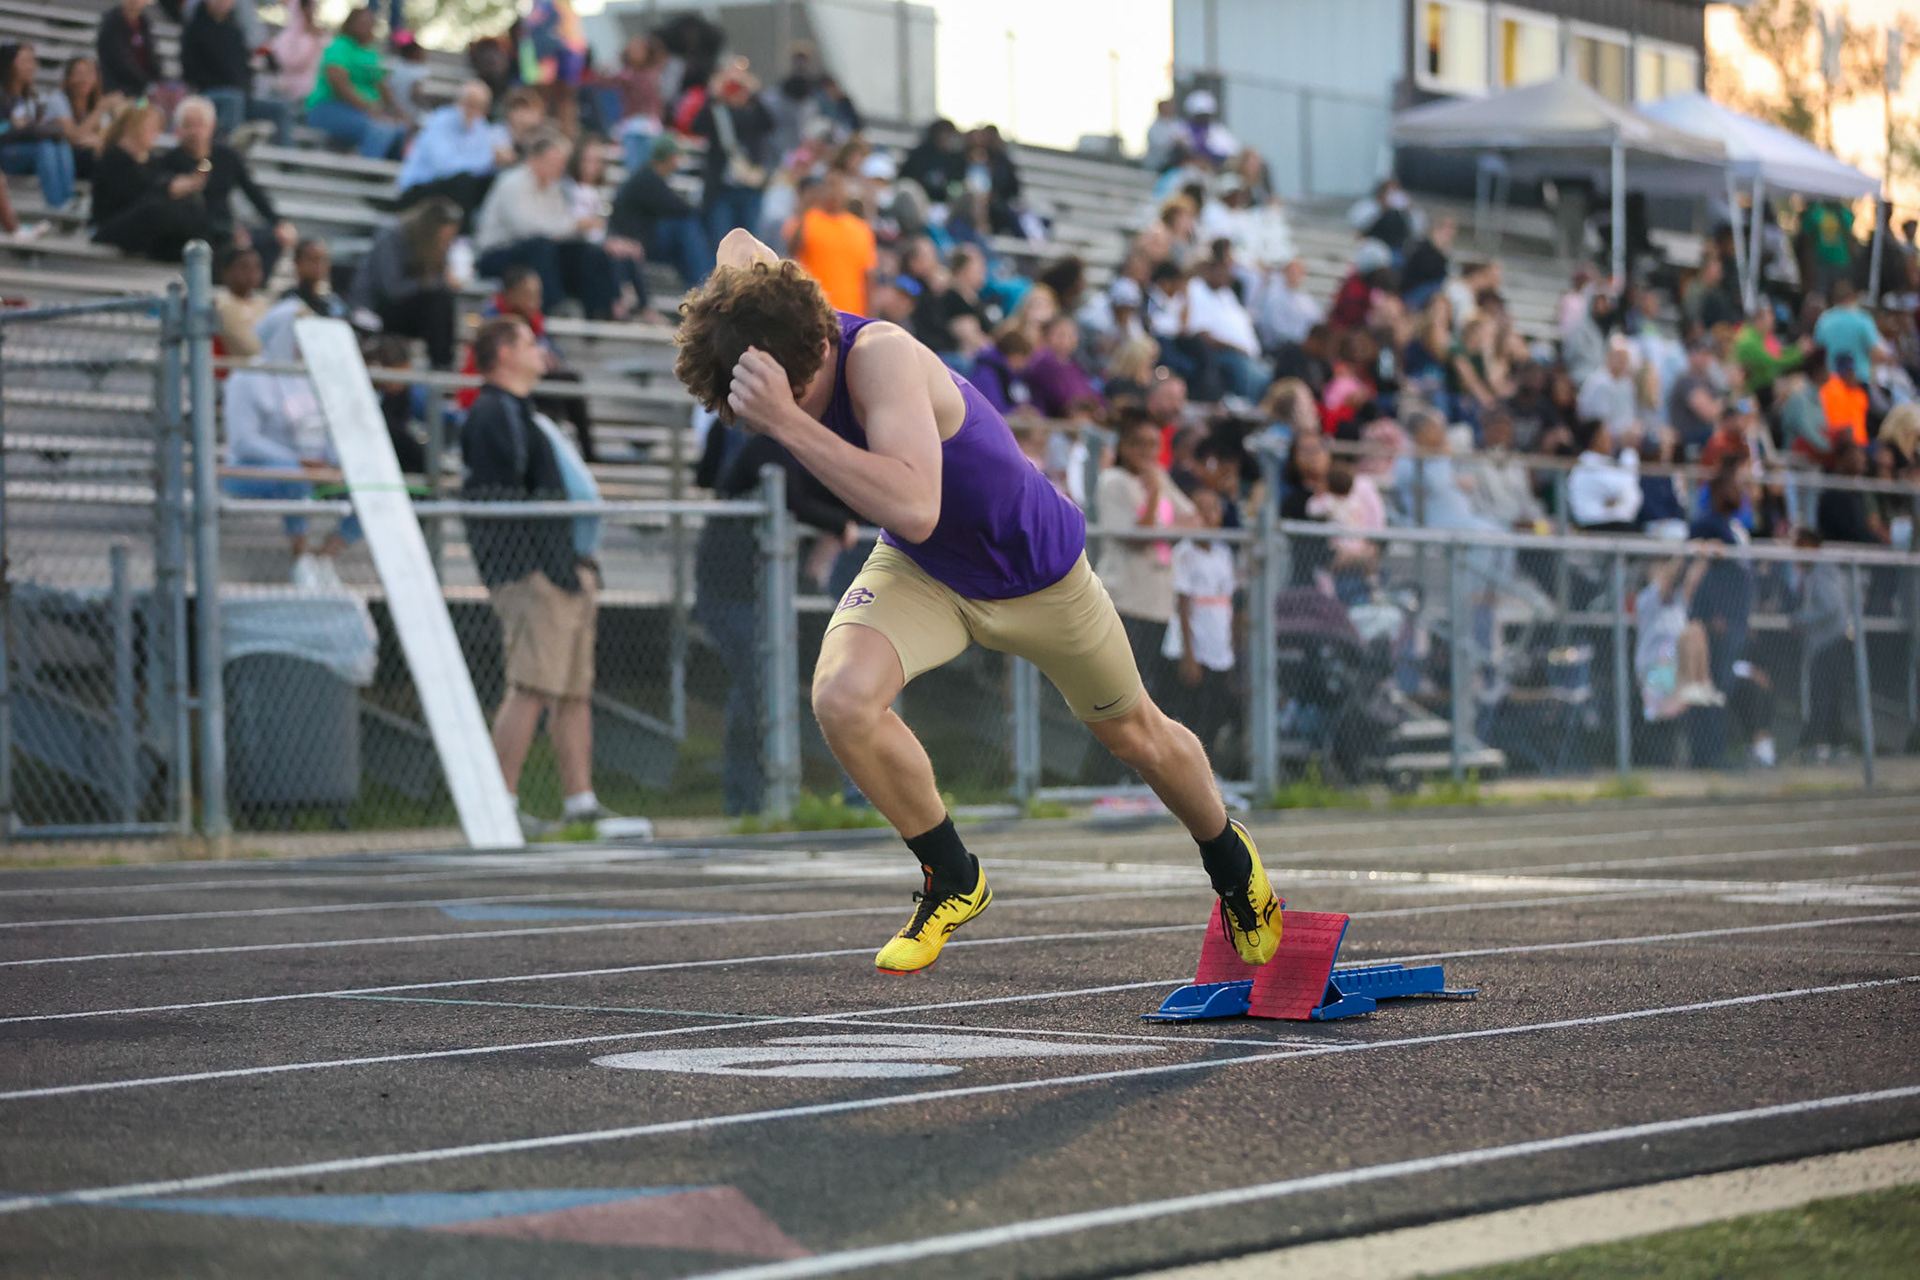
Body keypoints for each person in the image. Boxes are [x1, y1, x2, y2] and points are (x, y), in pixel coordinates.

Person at [674, 232, 1280, 974]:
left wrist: (788, 421)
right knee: (841, 698)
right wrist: (736, 317)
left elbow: (915, 503)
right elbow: (735, 243)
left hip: (1035, 575)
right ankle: (952, 874)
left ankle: (1230, 861)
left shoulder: (881, 356)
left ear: (812, 358)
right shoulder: (787, 327)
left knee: (1137, 736)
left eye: (789, 397)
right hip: (925, 573)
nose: (774, 412)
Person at [462, 314, 642, 836]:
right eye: (526, 342)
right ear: (501, 355)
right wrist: (539, 566)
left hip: (565, 570)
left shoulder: (524, 413)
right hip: (533, 574)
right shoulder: (491, 413)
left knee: (573, 691)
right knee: (531, 686)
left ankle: (579, 799)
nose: (539, 349)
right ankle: (500, 803)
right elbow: (501, 499)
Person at [694, 418, 856, 815]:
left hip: (770, 591)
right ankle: (747, 801)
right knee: (757, 686)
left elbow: (841, 497)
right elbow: (791, 499)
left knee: (794, 682)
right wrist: (837, 524)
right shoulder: (768, 444)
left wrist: (838, 524)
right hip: (729, 591)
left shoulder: (812, 452)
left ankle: (773, 796)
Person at [222, 299, 361, 586]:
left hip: (310, 468)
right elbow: (244, 441)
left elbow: (327, 432)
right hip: (251, 470)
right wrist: (298, 461)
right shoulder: (247, 378)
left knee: (368, 486)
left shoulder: (310, 378)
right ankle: (301, 558)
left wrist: (334, 463)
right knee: (293, 476)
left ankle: (323, 557)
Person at [1096, 406, 1197, 701]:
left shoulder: (1159, 477)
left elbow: (1196, 520)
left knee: (1142, 690)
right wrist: (1154, 497)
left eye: (1153, 444)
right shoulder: (1114, 481)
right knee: (1118, 692)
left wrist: (1161, 525)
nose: (1146, 451)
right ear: (1123, 447)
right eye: (1138, 444)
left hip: (1157, 601)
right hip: (1127, 599)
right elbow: (1137, 537)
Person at [457, 262, 597, 461]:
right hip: (501, 387)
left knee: (567, 382)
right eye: (530, 293)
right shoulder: (496, 326)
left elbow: (553, 354)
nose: (537, 300)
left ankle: (583, 454)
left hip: (525, 388)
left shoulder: (534, 320)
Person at [473, 131, 617, 321]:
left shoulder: (554, 188)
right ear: (535, 159)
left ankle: (599, 311)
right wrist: (575, 224)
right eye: (554, 161)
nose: (559, 167)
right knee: (540, 246)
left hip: (538, 251)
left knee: (589, 252)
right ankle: (553, 307)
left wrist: (576, 226)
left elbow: (561, 225)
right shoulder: (512, 183)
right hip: (497, 254)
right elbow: (526, 228)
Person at [162, 96, 297, 277]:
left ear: (211, 127)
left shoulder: (227, 156)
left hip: (224, 226)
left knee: (270, 238)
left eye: (199, 125)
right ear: (179, 129)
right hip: (190, 231)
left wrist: (279, 222)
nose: (194, 132)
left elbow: (253, 191)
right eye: (188, 125)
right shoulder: (169, 161)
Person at [89, 104, 222, 262]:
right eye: (151, 128)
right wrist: (169, 188)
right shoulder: (114, 157)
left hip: (144, 232)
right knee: (157, 209)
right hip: (111, 225)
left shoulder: (151, 161)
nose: (156, 134)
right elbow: (135, 196)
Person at [1163, 485, 1238, 755]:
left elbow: (1226, 603)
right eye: (1201, 510)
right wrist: (1189, 655)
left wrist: (1229, 650)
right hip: (1195, 648)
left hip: (1219, 648)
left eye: (1214, 509)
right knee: (1188, 717)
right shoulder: (1184, 553)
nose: (1209, 516)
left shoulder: (1224, 554)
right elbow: (1183, 604)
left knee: (1213, 715)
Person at [350, 196, 461, 369]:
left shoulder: (434, 249)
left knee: (442, 301)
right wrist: (432, 283)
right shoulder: (392, 237)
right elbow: (392, 289)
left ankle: (443, 364)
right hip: (374, 310)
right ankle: (442, 364)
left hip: (405, 308)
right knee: (439, 299)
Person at [394, 81, 514, 220]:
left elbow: (483, 164)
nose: (473, 111)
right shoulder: (439, 122)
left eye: (480, 107)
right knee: (464, 181)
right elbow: (443, 166)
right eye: (470, 104)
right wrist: (489, 158)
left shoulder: (480, 127)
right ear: (458, 102)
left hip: (453, 191)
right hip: (420, 188)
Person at [609, 132, 714, 287]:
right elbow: (680, 208)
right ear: (668, 157)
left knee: (684, 239)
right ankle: (705, 284)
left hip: (643, 238)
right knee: (685, 227)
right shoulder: (647, 179)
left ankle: (698, 286)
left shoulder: (647, 175)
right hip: (634, 241)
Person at [182, 0, 292, 144]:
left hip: (241, 95)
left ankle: (287, 162)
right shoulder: (194, 29)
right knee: (233, 100)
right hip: (208, 95)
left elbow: (245, 66)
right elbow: (189, 70)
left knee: (280, 109)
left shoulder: (235, 31)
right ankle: (227, 151)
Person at [306, 7, 406, 160]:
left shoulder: (371, 52)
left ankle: (386, 179)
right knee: (379, 129)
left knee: (401, 130)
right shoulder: (340, 45)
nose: (368, 26)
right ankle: (366, 173)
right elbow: (338, 82)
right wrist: (368, 108)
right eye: (363, 22)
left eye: (371, 23)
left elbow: (382, 85)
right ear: (351, 23)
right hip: (329, 108)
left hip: (363, 112)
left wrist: (398, 111)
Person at [692, 63, 774, 247]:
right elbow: (697, 125)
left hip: (749, 186)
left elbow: (768, 123)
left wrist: (753, 92)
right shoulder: (717, 113)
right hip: (722, 189)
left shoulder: (752, 113)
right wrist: (713, 94)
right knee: (723, 243)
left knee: (752, 245)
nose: (737, 96)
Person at [1792, 528, 1852, 760]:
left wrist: (1800, 620)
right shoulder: (1826, 570)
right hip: (1834, 641)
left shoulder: (1821, 572)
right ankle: (1837, 744)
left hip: (1828, 642)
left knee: (1822, 695)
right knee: (1832, 695)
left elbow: (1831, 606)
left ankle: (1817, 745)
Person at [0, 44, 76, 212]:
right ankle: (57, 206)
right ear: (9, 63)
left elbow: (34, 127)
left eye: (33, 61)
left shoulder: (31, 98)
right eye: (25, 61)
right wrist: (15, 126)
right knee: (45, 148)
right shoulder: (3, 97)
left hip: (27, 149)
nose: (31, 66)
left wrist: (32, 128)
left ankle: (68, 200)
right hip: (6, 152)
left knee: (59, 144)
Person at [787, 170, 875, 315]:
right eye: (829, 187)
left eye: (838, 187)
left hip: (850, 313)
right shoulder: (808, 219)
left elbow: (868, 276)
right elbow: (792, 250)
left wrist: (869, 316)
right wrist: (806, 210)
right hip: (811, 310)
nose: (833, 193)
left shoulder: (861, 229)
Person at [1567, 420, 1643, 532]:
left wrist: (1619, 501)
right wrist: (1629, 451)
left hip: (1613, 524)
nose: (1610, 438)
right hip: (1594, 526)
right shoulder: (1586, 464)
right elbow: (1621, 488)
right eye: (1606, 434)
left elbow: (1633, 498)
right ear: (1596, 438)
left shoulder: (1605, 463)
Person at [50, 56, 116, 183]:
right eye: (78, 74)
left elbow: (106, 136)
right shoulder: (58, 100)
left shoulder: (96, 103)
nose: (84, 79)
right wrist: (100, 111)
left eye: (89, 74)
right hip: (62, 157)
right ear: (69, 78)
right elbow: (74, 138)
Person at [1811, 280, 1887, 377]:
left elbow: (1817, 350)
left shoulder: (1823, 320)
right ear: (1854, 297)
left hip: (1831, 382)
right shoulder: (1862, 319)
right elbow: (1877, 353)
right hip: (1858, 381)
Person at [1665, 338, 1725, 456]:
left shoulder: (1709, 381)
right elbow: (1709, 412)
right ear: (1691, 355)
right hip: (1689, 440)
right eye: (1702, 354)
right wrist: (1722, 407)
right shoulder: (1686, 380)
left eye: (1709, 354)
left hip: (1705, 438)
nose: (1706, 358)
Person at [1250, 257, 1320, 355]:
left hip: (1300, 346)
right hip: (1280, 347)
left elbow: (1315, 322)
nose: (1295, 275)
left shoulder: (1306, 300)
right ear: (1285, 273)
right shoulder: (1273, 297)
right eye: (1292, 271)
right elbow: (1274, 327)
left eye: (1298, 272)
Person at [213, 244, 271, 357]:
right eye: (244, 267)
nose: (251, 273)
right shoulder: (221, 304)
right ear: (227, 272)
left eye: (256, 267)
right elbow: (249, 349)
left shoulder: (264, 304)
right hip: (237, 370)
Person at [1576, 335, 1638, 440]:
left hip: (1620, 437)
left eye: (1625, 357)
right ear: (1608, 356)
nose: (1622, 361)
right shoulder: (1599, 383)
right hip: (1595, 437)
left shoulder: (1627, 385)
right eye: (1618, 356)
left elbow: (1629, 417)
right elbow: (1601, 423)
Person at [96, 0, 157, 99]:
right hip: (118, 88)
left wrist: (156, 81)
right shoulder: (112, 23)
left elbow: (151, 57)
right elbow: (118, 61)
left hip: (140, 88)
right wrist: (144, 81)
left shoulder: (144, 23)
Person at [271, 0, 326, 103]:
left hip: (319, 94)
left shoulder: (320, 35)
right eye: (309, 8)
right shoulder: (287, 37)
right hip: (293, 94)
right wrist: (310, 39)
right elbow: (292, 62)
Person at [284, 237, 347, 319]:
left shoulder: (333, 304)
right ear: (297, 263)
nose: (319, 266)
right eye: (313, 260)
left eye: (323, 259)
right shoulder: (289, 301)